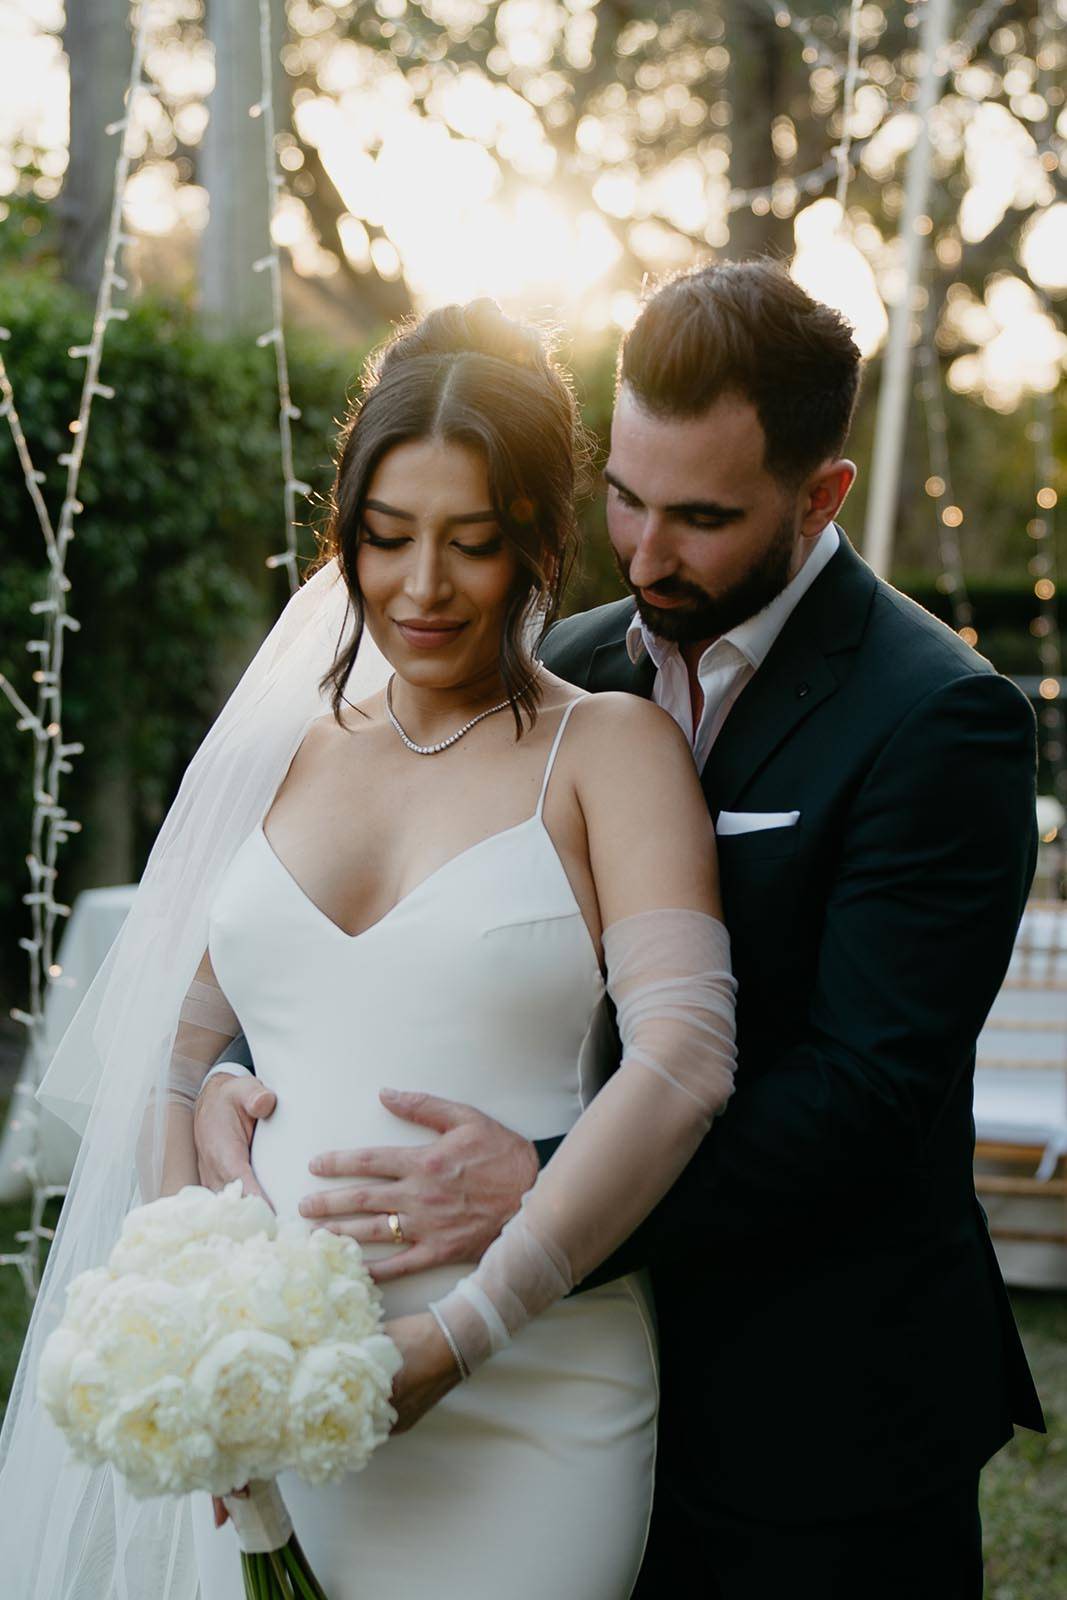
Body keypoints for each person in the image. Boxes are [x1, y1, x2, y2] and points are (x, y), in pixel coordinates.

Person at [201, 260, 1044, 1599]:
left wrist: (535, 1180)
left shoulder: (940, 719)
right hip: (569, 1351)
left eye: (700, 518)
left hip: (814, 1398)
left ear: (819, 496)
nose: (645, 553)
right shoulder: (578, 667)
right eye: (626, 499)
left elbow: (864, 1093)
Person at [0, 299, 738, 1600]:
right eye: (387, 538)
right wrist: (198, 1287)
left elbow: (685, 1060)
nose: (421, 586)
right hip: (268, 1389)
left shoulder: (610, 751)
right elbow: (168, 1052)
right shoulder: (280, 749)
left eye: (470, 542)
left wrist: (460, 1335)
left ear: (536, 543)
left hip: (531, 1389)